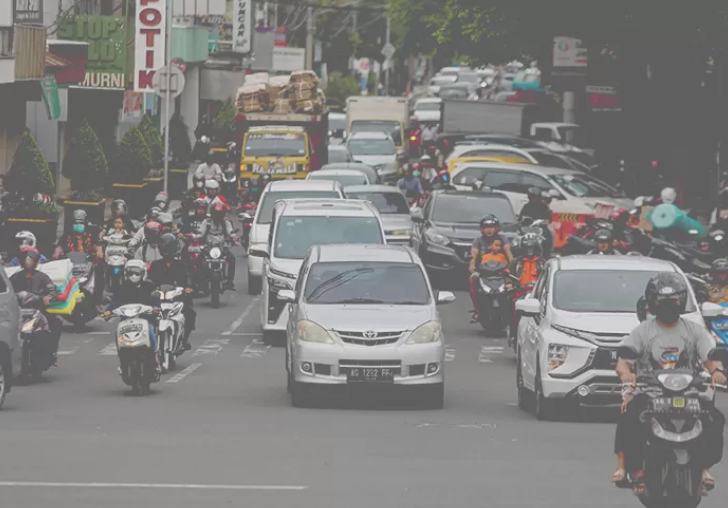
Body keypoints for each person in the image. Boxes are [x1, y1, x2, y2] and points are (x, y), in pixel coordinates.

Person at [612, 273, 726, 495]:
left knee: (715, 419)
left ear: (681, 301)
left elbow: (709, 356)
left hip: (691, 394)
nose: (667, 305)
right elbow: (623, 361)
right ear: (652, 302)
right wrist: (626, 374)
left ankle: (704, 468)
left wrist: (717, 371)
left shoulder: (694, 330)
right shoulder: (643, 330)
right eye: (661, 301)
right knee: (630, 416)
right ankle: (631, 469)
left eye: (673, 300)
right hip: (650, 394)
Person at [104, 259, 161, 372]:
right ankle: (122, 361)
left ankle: (155, 358)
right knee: (117, 334)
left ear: (143, 273)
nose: (134, 276)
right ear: (126, 274)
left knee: (150, 331)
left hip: (145, 320)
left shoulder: (149, 287)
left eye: (137, 273)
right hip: (126, 321)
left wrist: (156, 308)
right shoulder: (122, 288)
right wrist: (108, 311)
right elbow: (115, 302)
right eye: (130, 273)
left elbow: (156, 300)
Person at [10, 249, 62, 363]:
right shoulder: (14, 277)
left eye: (31, 260)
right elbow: (7, 292)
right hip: (19, 312)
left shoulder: (43, 277)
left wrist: (48, 297)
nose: (28, 262)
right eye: (26, 259)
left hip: (38, 311)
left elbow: (52, 290)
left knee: (57, 323)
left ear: (36, 261)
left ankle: (51, 352)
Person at [148, 234, 197, 349]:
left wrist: (188, 289)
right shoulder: (155, 265)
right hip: (159, 299)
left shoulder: (181, 265)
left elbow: (188, 280)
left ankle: (184, 339)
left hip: (177, 299)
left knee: (190, 314)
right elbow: (150, 282)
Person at [54, 209, 104, 310]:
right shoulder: (67, 235)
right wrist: (57, 252)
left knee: (100, 273)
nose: (78, 225)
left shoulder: (91, 234)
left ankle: (97, 303)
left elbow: (97, 246)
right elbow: (60, 246)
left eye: (80, 223)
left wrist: (99, 251)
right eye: (76, 223)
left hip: (88, 263)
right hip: (71, 263)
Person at [468, 215, 514, 322]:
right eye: (486, 227)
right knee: (472, 279)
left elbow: (508, 253)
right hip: (483, 272)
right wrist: (472, 264)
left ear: (497, 228)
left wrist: (513, 267)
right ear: (482, 229)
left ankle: (513, 310)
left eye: (492, 227)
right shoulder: (478, 241)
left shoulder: (503, 239)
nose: (489, 229)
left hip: (502, 272)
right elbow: (473, 254)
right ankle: (478, 310)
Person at [200, 201, 236, 290]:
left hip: (221, 247)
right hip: (208, 247)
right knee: (198, 260)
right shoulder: (206, 222)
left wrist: (234, 237)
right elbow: (200, 233)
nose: (217, 216)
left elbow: (230, 232)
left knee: (232, 259)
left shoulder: (226, 223)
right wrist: (195, 236)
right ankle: (199, 282)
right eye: (216, 214)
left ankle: (230, 282)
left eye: (220, 214)